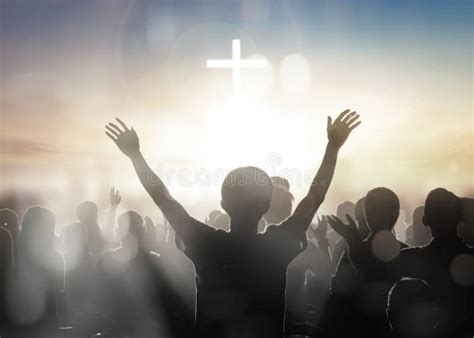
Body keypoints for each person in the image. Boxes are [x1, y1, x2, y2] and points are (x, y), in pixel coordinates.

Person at [105, 109, 361, 337]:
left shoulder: (206, 244)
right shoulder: (275, 247)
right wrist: (333, 148)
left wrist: (135, 155)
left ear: (224, 204)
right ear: (265, 207)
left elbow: (164, 199)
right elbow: (314, 198)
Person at [327, 187, 407, 337]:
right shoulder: (407, 253)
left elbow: (337, 294)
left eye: (377, 210)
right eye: (371, 210)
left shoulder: (355, 251)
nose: (372, 216)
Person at [395, 188, 474, 336]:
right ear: (459, 218)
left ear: (426, 221)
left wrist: (355, 246)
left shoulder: (414, 259)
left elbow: (375, 268)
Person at [8, 206, 65, 336]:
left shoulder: (13, 252)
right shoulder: (55, 256)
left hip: (18, 319)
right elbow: (59, 288)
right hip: (45, 322)